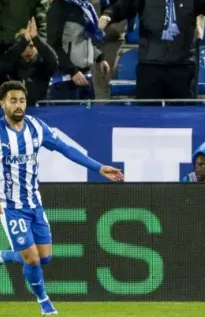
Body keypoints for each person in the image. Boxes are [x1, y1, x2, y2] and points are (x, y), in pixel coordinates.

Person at [0, 80, 123, 316]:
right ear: (2, 103)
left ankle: (5, 255)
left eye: (22, 100)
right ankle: (45, 303)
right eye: (13, 100)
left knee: (44, 257)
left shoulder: (36, 127)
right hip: (10, 207)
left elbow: (65, 148)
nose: (18, 105)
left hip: (34, 204)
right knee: (32, 259)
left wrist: (99, 167)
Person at [46, 0, 111, 101]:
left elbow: (84, 39)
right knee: (67, 114)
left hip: (85, 78)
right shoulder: (59, 7)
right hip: (65, 81)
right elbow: (53, 45)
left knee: (87, 112)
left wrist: (99, 58)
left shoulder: (86, 7)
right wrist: (72, 71)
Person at [0, 18, 58, 105]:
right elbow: (4, 63)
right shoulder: (11, 66)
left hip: (39, 110)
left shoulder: (43, 67)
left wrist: (36, 38)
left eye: (31, 46)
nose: (28, 50)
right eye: (24, 46)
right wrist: (24, 40)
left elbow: (54, 61)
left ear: (37, 48)